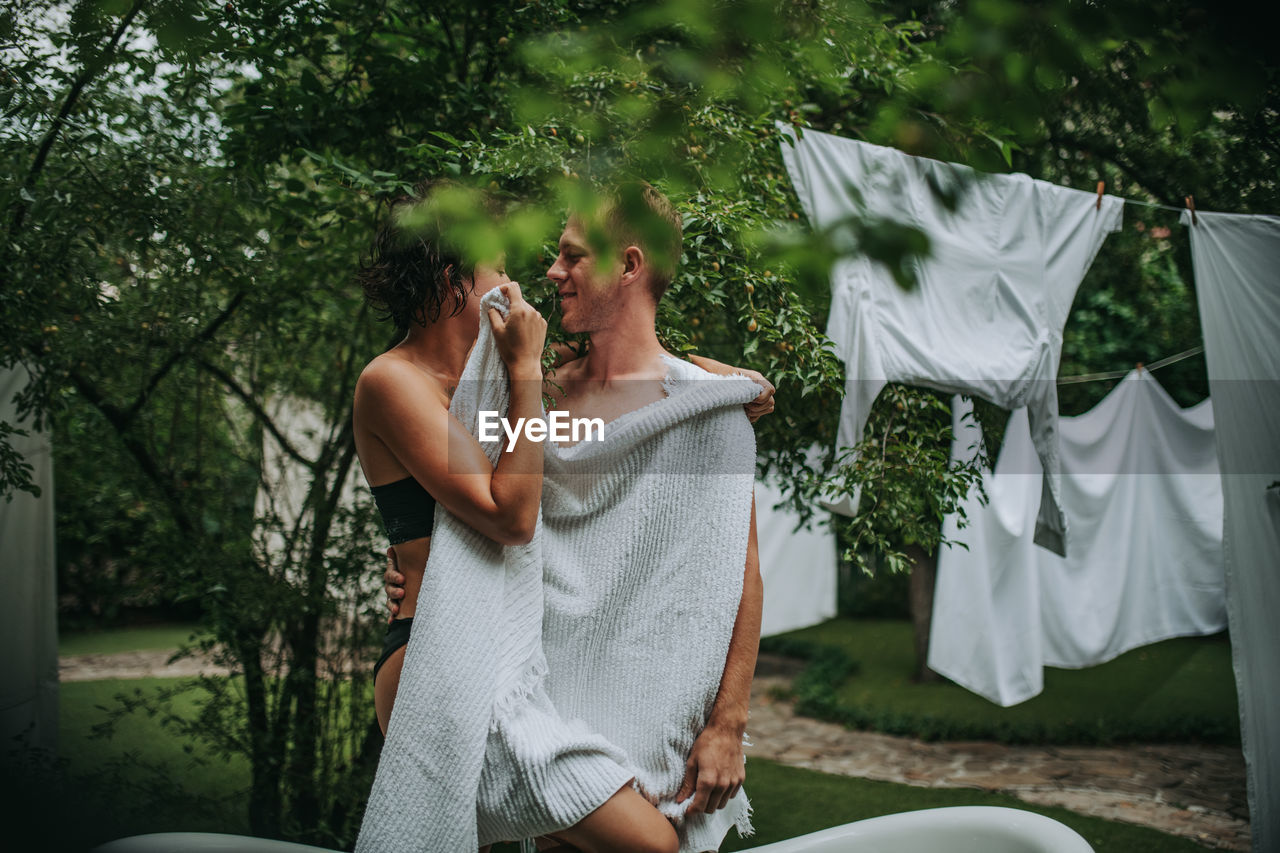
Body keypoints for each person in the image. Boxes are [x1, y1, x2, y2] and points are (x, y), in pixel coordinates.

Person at [356, 182, 773, 852]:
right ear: (451, 280)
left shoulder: (490, 379)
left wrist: (713, 389)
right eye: (499, 269)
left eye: (567, 257)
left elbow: (736, 563)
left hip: (510, 662)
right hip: (440, 652)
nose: (528, 283)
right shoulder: (420, 381)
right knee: (650, 845)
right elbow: (510, 512)